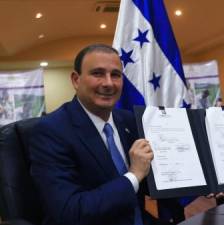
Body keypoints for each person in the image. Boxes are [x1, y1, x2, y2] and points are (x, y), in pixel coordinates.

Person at [29, 44, 164, 225]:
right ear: (76, 80)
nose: (108, 83)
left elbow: (151, 180)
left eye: (115, 75)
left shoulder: (130, 120)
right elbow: (69, 211)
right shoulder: (50, 131)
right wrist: (133, 175)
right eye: (98, 73)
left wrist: (201, 186)